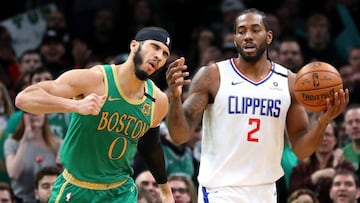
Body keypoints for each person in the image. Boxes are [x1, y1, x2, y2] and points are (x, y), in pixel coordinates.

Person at [165, 8, 349, 203]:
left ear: (269, 37)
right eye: (241, 31)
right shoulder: (212, 76)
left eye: (255, 30)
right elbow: (179, 136)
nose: (247, 36)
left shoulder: (289, 82)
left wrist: (322, 122)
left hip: (266, 192)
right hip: (220, 190)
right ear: (235, 38)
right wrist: (175, 99)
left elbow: (301, 149)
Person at [15, 26, 174, 203]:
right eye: (155, 47)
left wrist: (166, 190)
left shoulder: (158, 100)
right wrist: (75, 105)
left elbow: (150, 145)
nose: (159, 56)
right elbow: (24, 99)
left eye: (165, 54)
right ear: (134, 45)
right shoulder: (95, 79)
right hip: (75, 187)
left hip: (120, 192)